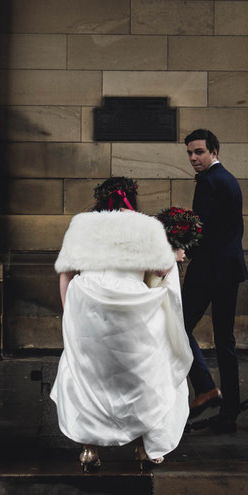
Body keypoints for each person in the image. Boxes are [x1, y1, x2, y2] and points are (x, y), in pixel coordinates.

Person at [50, 177, 192, 471]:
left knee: (90, 374)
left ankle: (89, 450)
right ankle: (142, 446)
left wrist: (70, 315)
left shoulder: (81, 225)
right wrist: (174, 254)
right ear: (133, 198)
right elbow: (162, 269)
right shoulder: (144, 225)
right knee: (142, 375)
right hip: (133, 308)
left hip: (88, 306)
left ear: (99, 199)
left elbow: (65, 273)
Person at [182, 129, 248, 433]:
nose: (194, 158)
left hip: (208, 271)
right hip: (230, 270)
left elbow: (201, 231)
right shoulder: (230, 180)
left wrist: (179, 249)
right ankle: (230, 413)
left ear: (214, 151)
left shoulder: (210, 182)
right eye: (190, 153)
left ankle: (206, 387)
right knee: (226, 342)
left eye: (199, 152)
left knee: (176, 326)